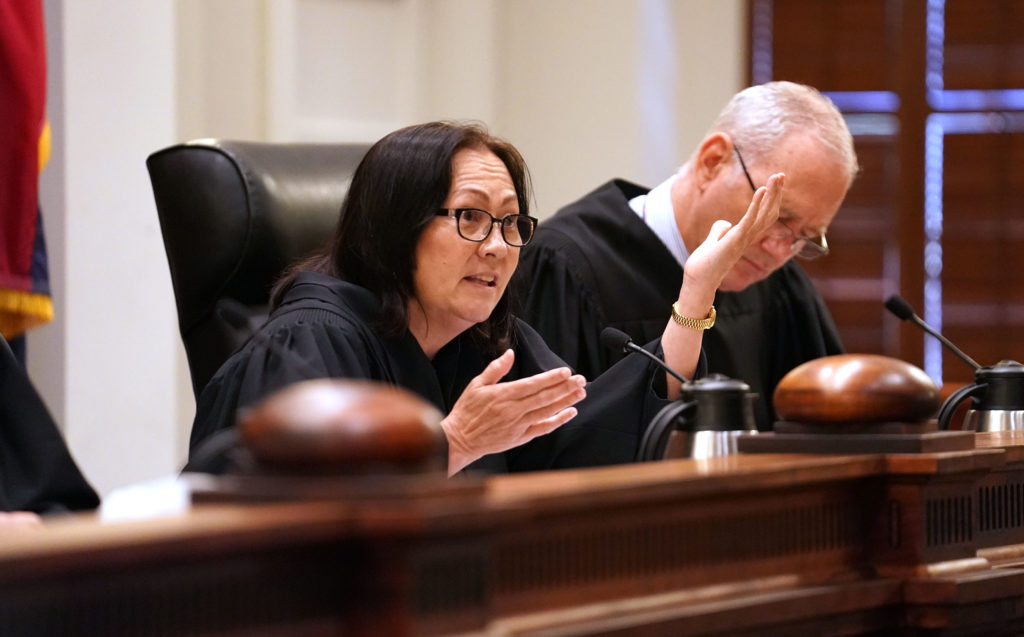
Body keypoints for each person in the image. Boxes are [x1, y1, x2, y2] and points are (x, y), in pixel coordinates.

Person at [189, 121, 782, 475]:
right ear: (398, 228)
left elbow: (587, 448)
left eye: (511, 223)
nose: (498, 247)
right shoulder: (311, 344)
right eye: (470, 217)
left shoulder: (491, 343)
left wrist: (696, 292)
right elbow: (282, 526)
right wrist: (454, 444)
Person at [518, 82, 858, 431]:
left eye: (805, 237)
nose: (780, 250)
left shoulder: (778, 284)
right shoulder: (565, 266)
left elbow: (826, 432)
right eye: (777, 217)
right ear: (713, 161)